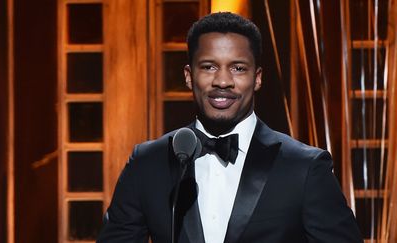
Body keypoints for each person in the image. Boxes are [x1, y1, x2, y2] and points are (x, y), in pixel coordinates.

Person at [97, 12, 363, 243]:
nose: (222, 81)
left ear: (257, 78)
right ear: (189, 77)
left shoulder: (304, 167)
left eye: (237, 68)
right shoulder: (148, 163)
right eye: (209, 66)